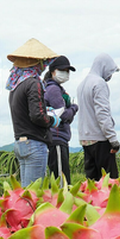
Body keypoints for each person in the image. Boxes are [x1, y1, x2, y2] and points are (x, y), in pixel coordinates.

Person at [7, 38, 61, 188]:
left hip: (20, 142)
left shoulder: (16, 84)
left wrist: (45, 110)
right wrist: (52, 120)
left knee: (26, 190)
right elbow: (37, 116)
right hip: (34, 143)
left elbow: (26, 110)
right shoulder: (33, 82)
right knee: (33, 193)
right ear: (37, 63)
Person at [77, 53, 120, 180]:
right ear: (104, 67)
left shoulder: (82, 84)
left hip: (86, 139)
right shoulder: (99, 83)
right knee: (109, 183)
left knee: (92, 184)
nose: (110, 75)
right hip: (100, 139)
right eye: (110, 71)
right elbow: (102, 113)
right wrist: (112, 139)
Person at [43, 55, 79, 184]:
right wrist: (74, 107)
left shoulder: (53, 88)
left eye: (67, 71)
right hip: (57, 138)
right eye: (62, 70)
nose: (66, 73)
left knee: (60, 179)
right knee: (61, 182)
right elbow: (63, 115)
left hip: (57, 138)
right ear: (53, 71)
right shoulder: (53, 89)